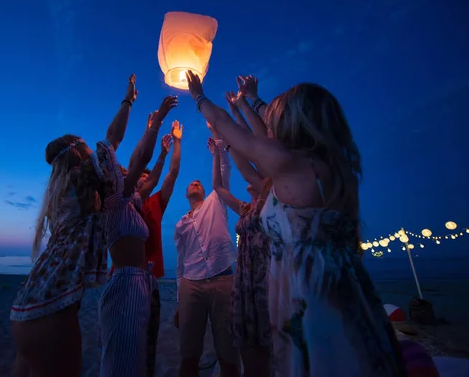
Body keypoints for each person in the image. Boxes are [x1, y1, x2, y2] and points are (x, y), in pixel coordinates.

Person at [186, 70, 407, 376]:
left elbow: (230, 128)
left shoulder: (290, 163)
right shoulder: (331, 166)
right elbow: (267, 130)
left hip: (311, 289)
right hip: (344, 283)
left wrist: (198, 96)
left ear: (294, 122)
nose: (272, 124)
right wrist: (251, 101)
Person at [9, 74, 139, 377]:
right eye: (86, 147)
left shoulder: (58, 198)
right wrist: (128, 100)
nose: (93, 153)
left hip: (24, 306)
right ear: (79, 152)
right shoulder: (82, 178)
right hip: (51, 313)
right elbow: (112, 139)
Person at [98, 95, 178, 377]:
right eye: (127, 172)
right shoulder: (115, 197)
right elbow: (138, 158)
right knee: (122, 362)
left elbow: (153, 176)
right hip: (125, 282)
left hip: (142, 282)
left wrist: (164, 152)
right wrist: (156, 121)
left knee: (139, 357)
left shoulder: (132, 200)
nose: (133, 175)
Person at [173, 123, 239, 377]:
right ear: (187, 193)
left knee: (228, 352)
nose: (196, 183)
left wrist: (217, 144)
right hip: (192, 284)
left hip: (224, 278)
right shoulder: (180, 224)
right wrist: (180, 300)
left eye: (199, 182)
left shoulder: (216, 200)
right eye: (192, 183)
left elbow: (224, 171)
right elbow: (180, 264)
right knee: (189, 353)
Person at [219, 91, 274, 376]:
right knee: (246, 338)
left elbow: (256, 145)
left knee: (270, 340)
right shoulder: (245, 209)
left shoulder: (270, 193)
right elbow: (219, 186)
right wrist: (221, 146)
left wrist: (242, 107)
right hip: (245, 277)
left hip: (267, 274)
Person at [137, 120, 183, 278]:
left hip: (150, 273)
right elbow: (137, 158)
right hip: (121, 271)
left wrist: (177, 141)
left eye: (148, 177)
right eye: (142, 176)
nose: (145, 179)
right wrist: (149, 133)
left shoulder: (156, 201)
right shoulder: (125, 200)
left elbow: (173, 172)